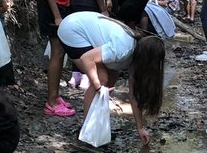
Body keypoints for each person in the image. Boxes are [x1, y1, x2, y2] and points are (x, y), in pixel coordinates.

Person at [56, 11, 166, 144]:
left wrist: (140, 128)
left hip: (83, 24)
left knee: (112, 75)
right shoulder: (123, 49)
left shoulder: (136, 55)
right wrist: (97, 86)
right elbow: (87, 59)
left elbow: (133, 94)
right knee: (102, 79)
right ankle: (87, 133)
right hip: (72, 29)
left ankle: (96, 126)